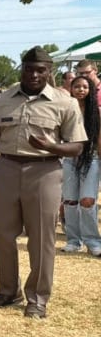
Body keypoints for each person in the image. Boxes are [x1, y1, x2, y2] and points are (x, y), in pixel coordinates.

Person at [0, 46, 86, 319]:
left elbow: (77, 146)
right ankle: (8, 291)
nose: (33, 74)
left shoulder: (63, 102)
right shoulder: (3, 100)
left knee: (41, 238)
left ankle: (38, 298)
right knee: (2, 233)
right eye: (29, 69)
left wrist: (52, 146)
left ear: (49, 72)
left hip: (44, 173)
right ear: (22, 68)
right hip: (7, 168)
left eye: (40, 70)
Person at [59, 76, 101, 256]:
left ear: (90, 90)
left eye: (85, 87)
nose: (81, 90)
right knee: (70, 200)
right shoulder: (66, 110)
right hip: (69, 159)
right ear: (71, 89)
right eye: (77, 86)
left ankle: (93, 241)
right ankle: (73, 240)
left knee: (87, 200)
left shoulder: (97, 112)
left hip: (91, 158)